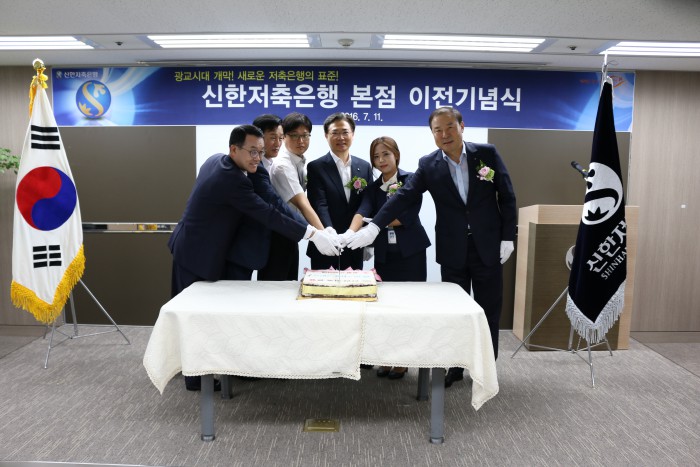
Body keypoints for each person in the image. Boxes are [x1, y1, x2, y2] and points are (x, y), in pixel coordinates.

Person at [346, 107, 516, 388]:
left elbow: (507, 195)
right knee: (454, 312)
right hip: (452, 248)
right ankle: (454, 367)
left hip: (487, 245)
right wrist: (375, 226)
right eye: (438, 130)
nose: (444, 134)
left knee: (488, 309)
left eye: (449, 127)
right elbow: (403, 196)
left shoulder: (486, 154)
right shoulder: (428, 165)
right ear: (432, 134)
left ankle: (486, 368)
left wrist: (508, 236)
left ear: (462, 126)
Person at [168, 124, 341, 390]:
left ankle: (190, 367)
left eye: (260, 152)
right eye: (252, 152)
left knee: (196, 314)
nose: (257, 158)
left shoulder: (217, 160)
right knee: (194, 315)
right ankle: (195, 380)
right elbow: (268, 213)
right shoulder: (232, 179)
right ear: (233, 149)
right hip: (196, 251)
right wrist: (312, 234)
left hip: (197, 246)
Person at [345, 136, 431, 380]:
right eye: (376, 156)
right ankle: (386, 357)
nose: (381, 160)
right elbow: (362, 211)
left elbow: (406, 216)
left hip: (411, 253)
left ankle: (403, 360)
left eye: (386, 154)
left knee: (408, 307)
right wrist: (350, 233)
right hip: (384, 255)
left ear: (396, 155)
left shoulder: (411, 180)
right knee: (385, 307)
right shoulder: (373, 188)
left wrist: (373, 225)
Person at [306, 112, 373, 270]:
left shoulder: (364, 166)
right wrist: (329, 232)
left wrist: (362, 238)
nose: (341, 137)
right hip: (326, 243)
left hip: (355, 243)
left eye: (345, 132)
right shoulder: (316, 167)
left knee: (354, 285)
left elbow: (367, 203)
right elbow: (319, 204)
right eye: (335, 133)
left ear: (353, 134)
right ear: (326, 136)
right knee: (322, 285)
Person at [264, 112, 324, 280]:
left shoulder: (299, 161)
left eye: (305, 135)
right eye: (294, 135)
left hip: (290, 232)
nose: (301, 141)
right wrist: (323, 234)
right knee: (275, 286)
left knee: (289, 283)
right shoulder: (283, 165)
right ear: (284, 137)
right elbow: (302, 203)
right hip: (277, 235)